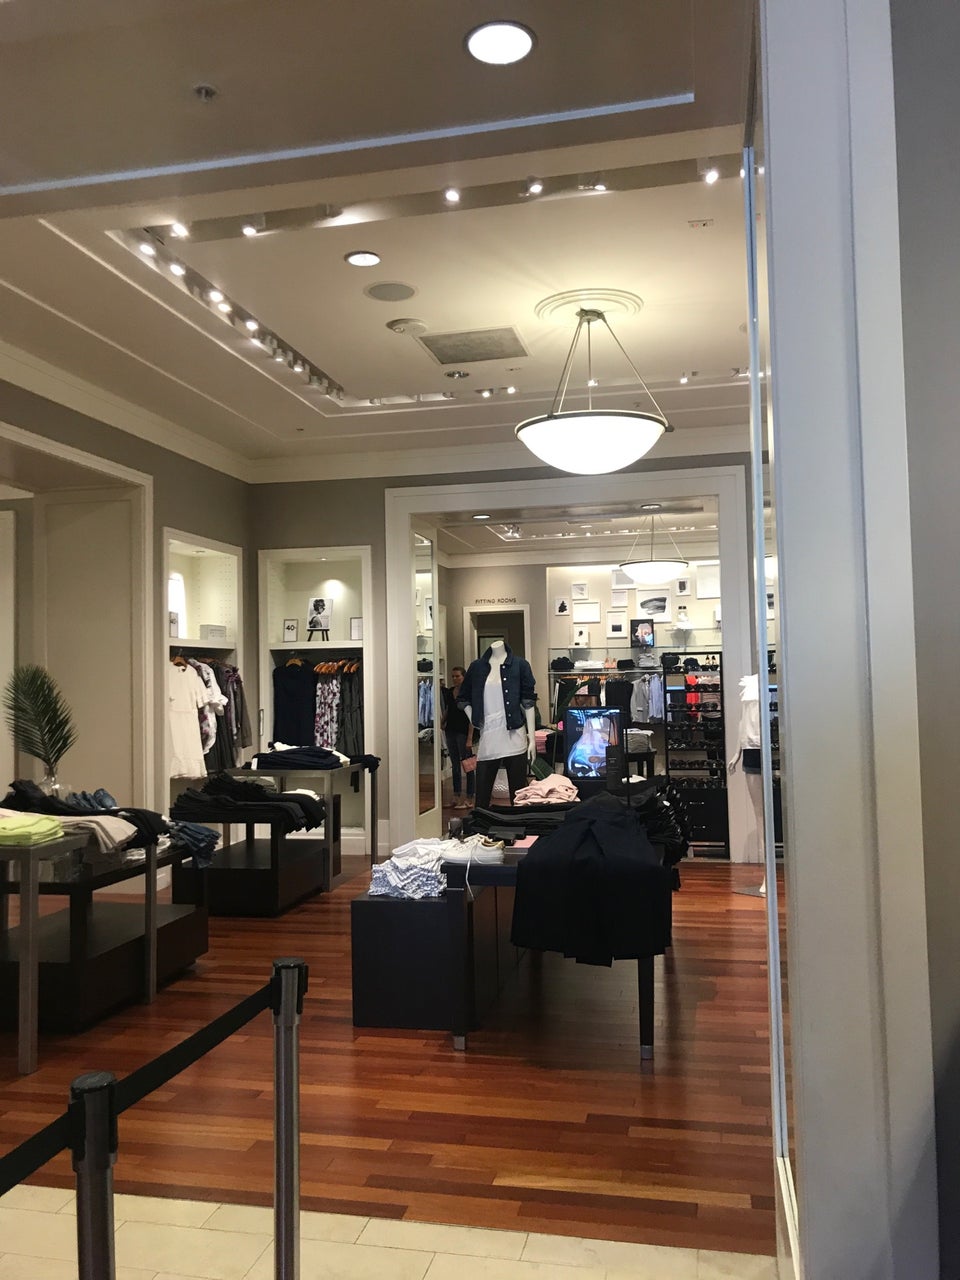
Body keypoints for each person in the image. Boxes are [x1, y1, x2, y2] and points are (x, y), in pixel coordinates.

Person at [441, 666, 475, 809]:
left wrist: (470, 738)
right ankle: (456, 796)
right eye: (453, 676)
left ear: (463, 677)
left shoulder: (468, 693)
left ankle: (469, 797)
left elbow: (472, 717)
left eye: (457, 676)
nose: (455, 679)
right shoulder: (450, 692)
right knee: (455, 765)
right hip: (451, 730)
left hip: (463, 731)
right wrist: (442, 721)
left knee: (468, 765)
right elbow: (448, 709)